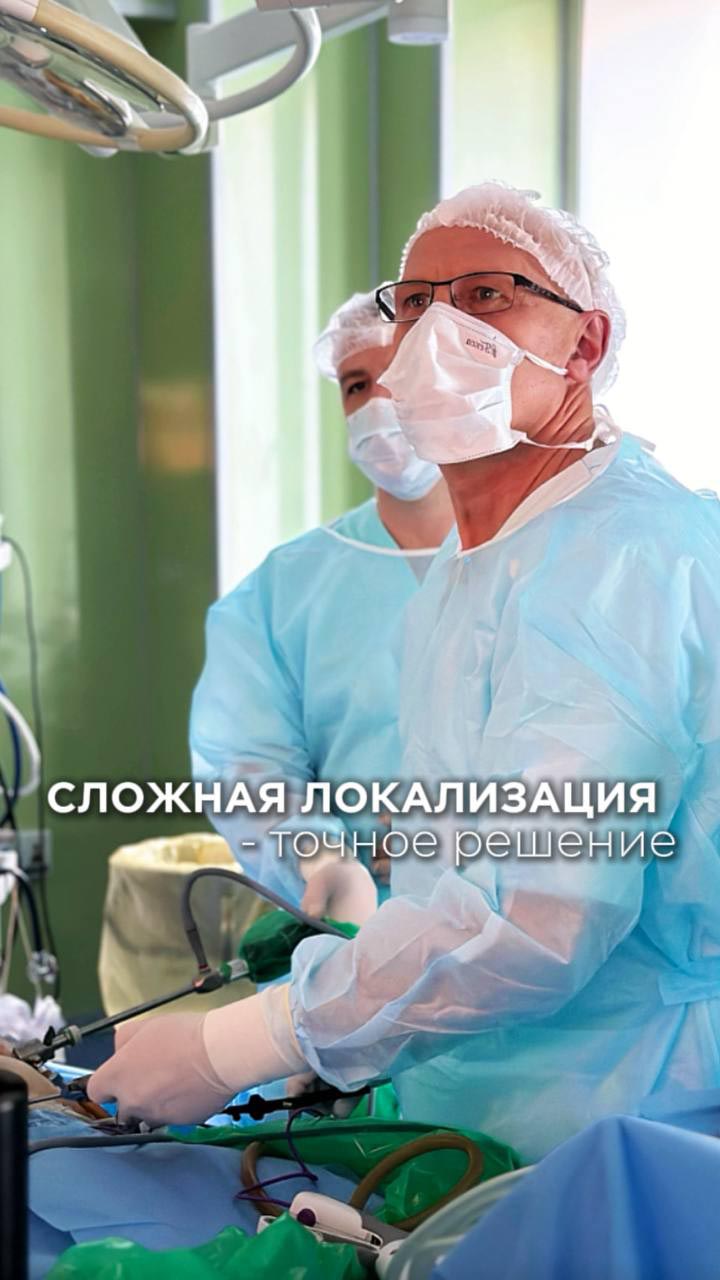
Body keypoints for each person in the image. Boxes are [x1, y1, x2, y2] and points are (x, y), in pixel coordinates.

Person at [90, 184, 720, 1166]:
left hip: (628, 1122)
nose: (434, 335)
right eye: (416, 302)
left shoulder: (619, 562)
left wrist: (252, 1039)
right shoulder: (488, 564)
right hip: (485, 1094)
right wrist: (340, 924)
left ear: (585, 343)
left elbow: (533, 918)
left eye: (486, 295)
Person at [188, 289, 453, 921]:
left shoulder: (542, 562)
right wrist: (323, 858)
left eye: (399, 375)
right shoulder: (287, 588)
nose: (377, 404)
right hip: (355, 937)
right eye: (356, 386)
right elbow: (248, 764)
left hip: (525, 937)